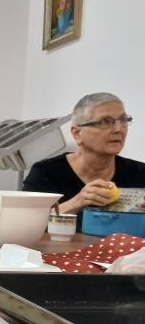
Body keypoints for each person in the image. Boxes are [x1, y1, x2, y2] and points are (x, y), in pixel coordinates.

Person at [23, 92, 145, 229]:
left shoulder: (140, 173)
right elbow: (25, 225)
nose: (118, 129)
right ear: (77, 133)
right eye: (105, 121)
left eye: (123, 120)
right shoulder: (46, 173)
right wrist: (76, 203)